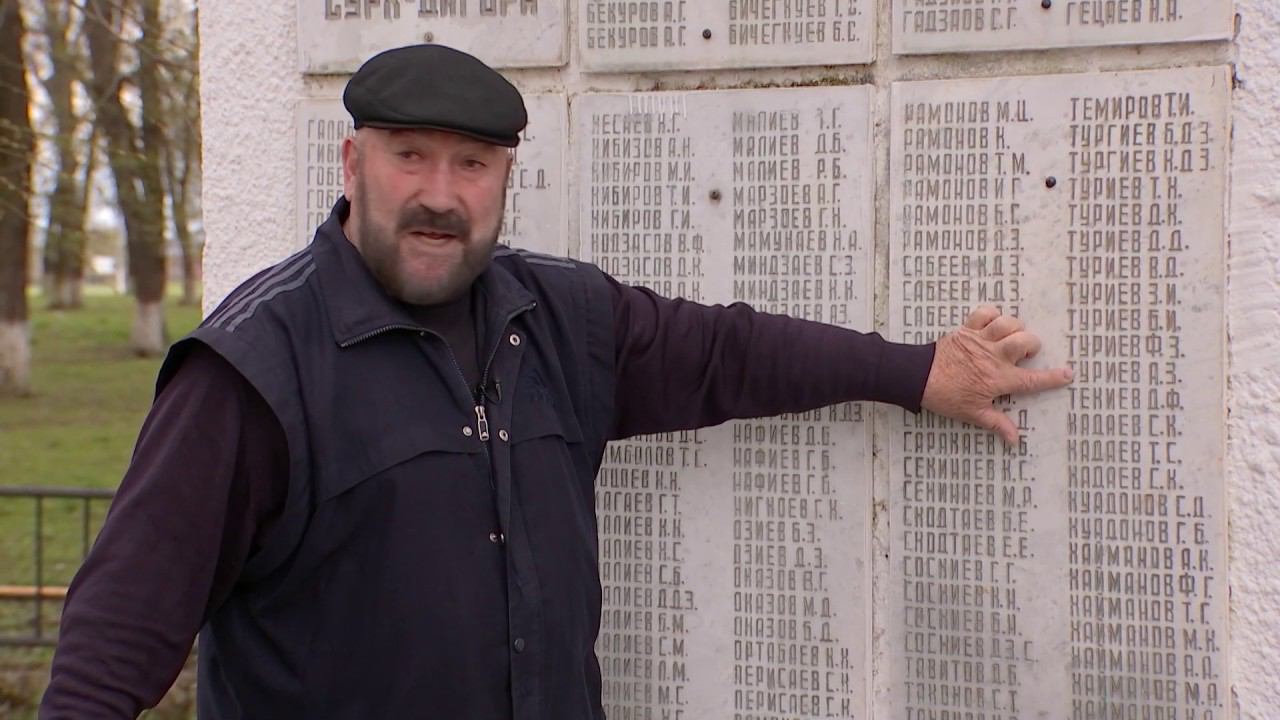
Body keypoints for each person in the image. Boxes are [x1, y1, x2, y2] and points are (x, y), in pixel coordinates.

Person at [40, 44, 1071, 719]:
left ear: (505, 178)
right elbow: (122, 624)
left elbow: (728, 353)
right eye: (410, 157)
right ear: (352, 164)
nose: (439, 195)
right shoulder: (253, 371)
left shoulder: (559, 319)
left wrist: (916, 371)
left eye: (472, 164)